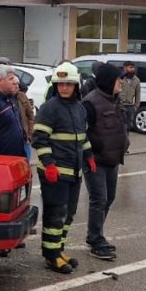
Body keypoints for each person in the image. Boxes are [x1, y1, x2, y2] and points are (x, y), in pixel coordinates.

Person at [32, 63, 93, 274]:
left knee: (68, 215)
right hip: (55, 172)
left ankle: (59, 250)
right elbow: (39, 139)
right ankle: (51, 257)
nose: (64, 88)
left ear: (76, 85)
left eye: (68, 84)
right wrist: (48, 164)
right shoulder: (50, 107)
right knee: (54, 216)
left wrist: (89, 156)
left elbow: (82, 138)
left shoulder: (79, 108)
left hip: (74, 172)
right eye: (60, 84)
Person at [82, 63, 128, 261]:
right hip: (95, 161)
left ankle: (97, 234)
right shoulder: (90, 103)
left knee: (109, 198)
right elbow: (81, 133)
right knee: (99, 199)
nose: (123, 83)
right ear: (110, 81)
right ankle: (95, 239)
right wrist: (88, 155)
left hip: (113, 159)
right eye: (120, 79)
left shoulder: (115, 100)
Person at [118, 61, 142, 134]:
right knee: (119, 125)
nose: (132, 69)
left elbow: (138, 93)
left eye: (133, 68)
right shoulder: (120, 78)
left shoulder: (136, 80)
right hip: (119, 105)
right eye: (130, 67)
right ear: (125, 68)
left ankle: (125, 141)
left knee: (128, 126)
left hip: (130, 106)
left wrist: (135, 106)